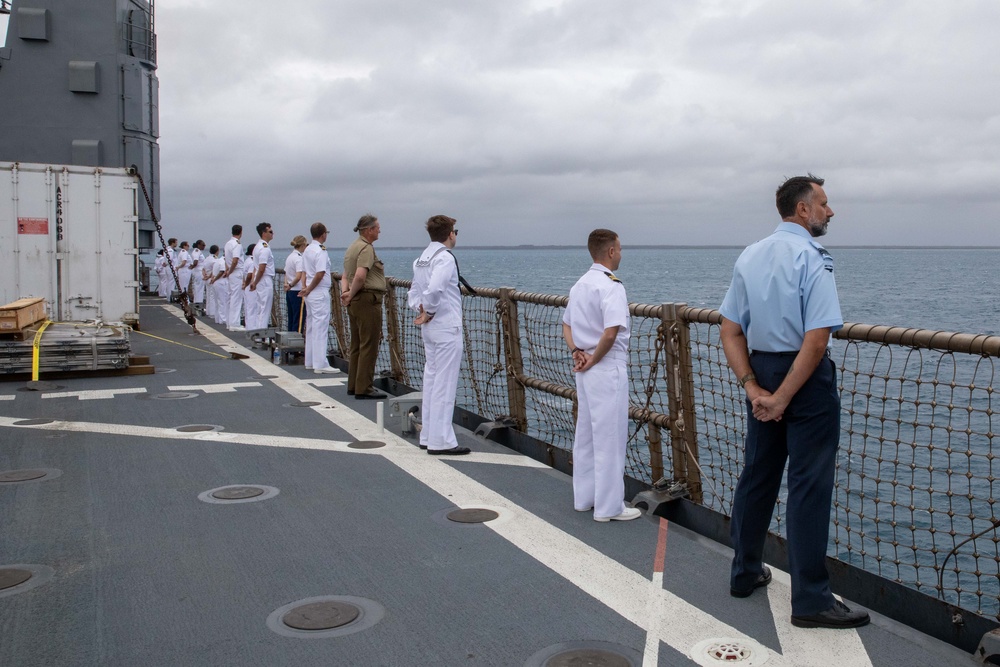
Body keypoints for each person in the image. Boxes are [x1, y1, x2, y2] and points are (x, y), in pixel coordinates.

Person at [720, 174, 869, 629]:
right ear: (803, 210)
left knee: (758, 475)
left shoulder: (750, 255)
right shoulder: (812, 256)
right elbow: (817, 338)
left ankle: (744, 573)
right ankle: (810, 601)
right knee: (808, 485)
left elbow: (729, 330)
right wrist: (783, 397)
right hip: (802, 381)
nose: (830, 210)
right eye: (824, 203)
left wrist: (755, 391)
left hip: (762, 371)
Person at [561, 229, 640, 523]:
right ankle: (609, 507)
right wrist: (594, 357)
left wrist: (577, 352)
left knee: (586, 434)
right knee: (610, 437)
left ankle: (584, 498)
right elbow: (612, 330)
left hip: (584, 368)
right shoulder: (612, 286)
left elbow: (567, 325)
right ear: (610, 251)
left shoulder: (580, 284)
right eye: (619, 248)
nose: (620, 253)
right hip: (606, 367)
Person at [408, 215, 471, 456]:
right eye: (455, 231)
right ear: (450, 233)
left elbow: (414, 292)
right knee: (444, 384)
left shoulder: (422, 258)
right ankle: (442, 441)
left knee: (432, 381)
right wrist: (430, 311)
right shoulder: (444, 258)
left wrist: (420, 309)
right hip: (445, 327)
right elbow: (435, 289)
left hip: (431, 330)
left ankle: (428, 435)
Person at [341, 213, 386, 399]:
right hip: (367, 300)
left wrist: (346, 294)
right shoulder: (366, 249)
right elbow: (360, 276)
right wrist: (351, 293)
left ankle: (353, 385)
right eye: (377, 227)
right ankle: (365, 388)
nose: (379, 230)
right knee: (369, 344)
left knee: (356, 344)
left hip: (355, 301)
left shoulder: (353, 247)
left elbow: (345, 275)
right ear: (368, 230)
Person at [300, 223, 339, 374]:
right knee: (320, 327)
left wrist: (305, 287)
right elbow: (320, 273)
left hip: (310, 292)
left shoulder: (308, 249)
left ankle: (310, 361)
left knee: (310, 327)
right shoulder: (320, 251)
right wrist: (309, 288)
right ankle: (320, 363)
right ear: (323, 234)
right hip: (319, 291)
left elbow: (304, 271)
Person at [247, 223, 275, 331]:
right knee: (264, 309)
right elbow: (261, 268)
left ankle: (258, 332)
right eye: (270, 232)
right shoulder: (264, 248)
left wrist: (254, 281)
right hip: (264, 279)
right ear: (264, 233)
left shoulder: (257, 247)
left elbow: (256, 267)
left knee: (260, 308)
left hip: (260, 280)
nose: (272, 234)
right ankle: (261, 334)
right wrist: (255, 282)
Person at [284, 235, 308, 333]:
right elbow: (299, 276)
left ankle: (290, 339)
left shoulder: (290, 257)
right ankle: (296, 341)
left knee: (291, 317)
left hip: (290, 292)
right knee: (299, 319)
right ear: (302, 245)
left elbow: (286, 273)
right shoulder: (299, 258)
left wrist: (287, 284)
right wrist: (291, 285)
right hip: (297, 291)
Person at [223, 225, 245, 331]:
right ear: (241, 232)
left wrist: (228, 271)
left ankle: (229, 322)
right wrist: (230, 271)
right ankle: (234, 324)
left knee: (231, 298)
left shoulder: (228, 243)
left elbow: (227, 260)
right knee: (236, 298)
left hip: (232, 273)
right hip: (236, 272)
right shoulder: (237, 244)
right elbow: (235, 260)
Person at [203, 244, 219, 320]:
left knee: (208, 295)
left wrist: (205, 276)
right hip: (212, 278)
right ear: (217, 251)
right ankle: (212, 313)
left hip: (206, 278)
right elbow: (214, 270)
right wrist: (209, 277)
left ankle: (208, 311)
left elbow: (203, 269)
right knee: (212, 296)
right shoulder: (214, 259)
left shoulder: (207, 258)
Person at [191, 240, 206, 309]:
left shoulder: (199, 251)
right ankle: (198, 302)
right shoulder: (197, 251)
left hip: (199, 271)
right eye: (203, 245)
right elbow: (195, 261)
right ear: (198, 245)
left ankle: (198, 301)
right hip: (198, 272)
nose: (204, 246)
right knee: (199, 287)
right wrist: (192, 267)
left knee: (199, 287)